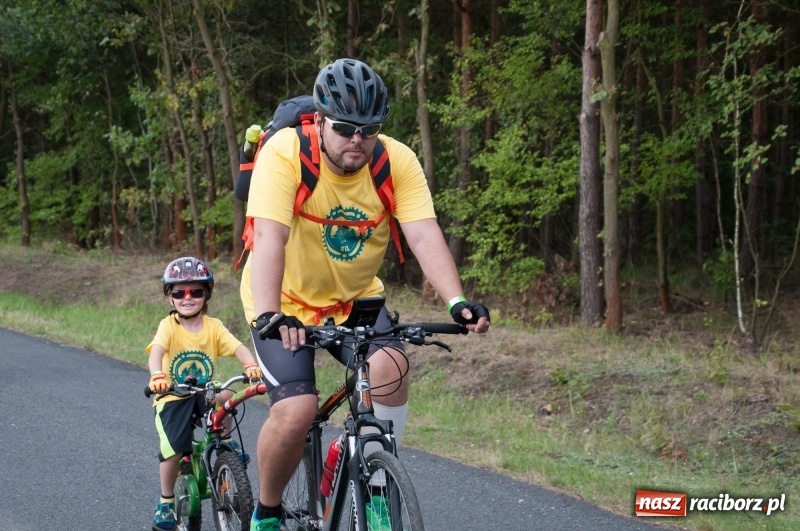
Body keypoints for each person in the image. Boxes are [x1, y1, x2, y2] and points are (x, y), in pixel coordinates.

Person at [240, 58, 490, 531]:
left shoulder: (395, 161)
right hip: (286, 303)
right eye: (344, 128)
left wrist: (456, 301)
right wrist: (271, 313)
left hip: (354, 300)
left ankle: (372, 480)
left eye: (369, 129)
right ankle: (266, 512)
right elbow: (269, 237)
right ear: (319, 120)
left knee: (392, 367)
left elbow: (423, 233)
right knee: (296, 412)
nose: (357, 139)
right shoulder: (285, 155)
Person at [146, 256, 263, 531]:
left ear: (206, 295)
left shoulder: (214, 326)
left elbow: (238, 348)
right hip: (173, 396)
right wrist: (158, 376)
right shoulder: (168, 326)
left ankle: (227, 443)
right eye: (179, 293)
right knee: (173, 450)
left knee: (227, 394)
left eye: (195, 292)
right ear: (170, 297)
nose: (187, 298)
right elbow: (157, 352)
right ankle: (165, 501)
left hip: (202, 392)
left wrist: (251, 365)